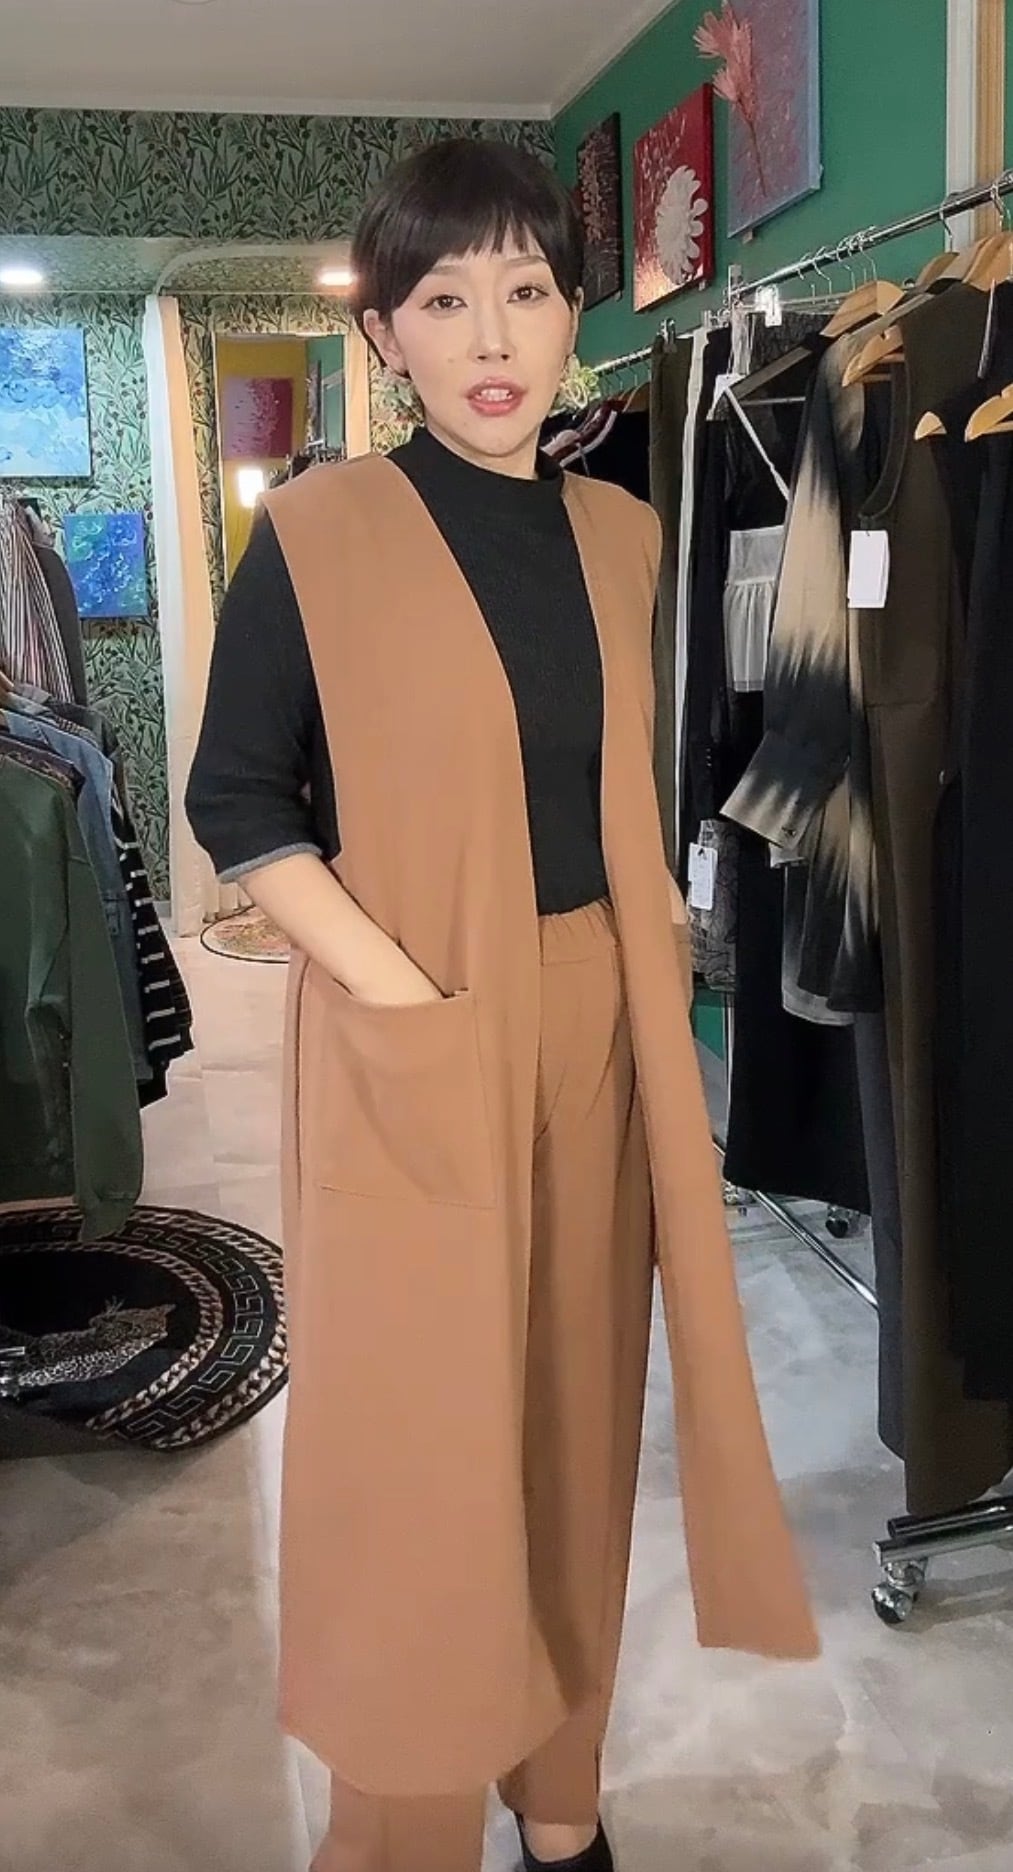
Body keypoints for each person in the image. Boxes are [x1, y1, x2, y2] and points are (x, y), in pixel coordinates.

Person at [186, 137, 817, 1872]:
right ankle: (398, 1827)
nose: (490, 335)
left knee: (572, 1429)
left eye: (525, 290)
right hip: (412, 1014)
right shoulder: (319, 532)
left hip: (595, 1024)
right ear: (382, 335)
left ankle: (558, 1801)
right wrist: (407, 999)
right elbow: (237, 801)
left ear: (570, 316)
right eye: (444, 297)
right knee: (421, 1450)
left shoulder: (622, 534)